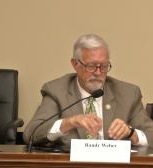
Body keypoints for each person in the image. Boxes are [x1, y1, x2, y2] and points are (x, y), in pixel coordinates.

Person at [23, 34, 153, 148]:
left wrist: (131, 133)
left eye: (104, 66)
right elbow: (32, 134)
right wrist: (69, 122)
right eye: (91, 66)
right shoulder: (56, 91)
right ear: (75, 64)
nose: (98, 72)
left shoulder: (128, 94)